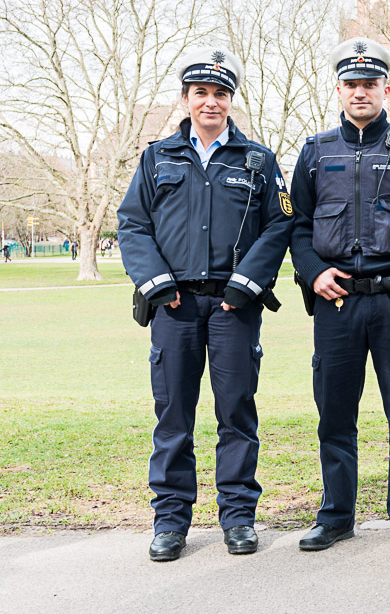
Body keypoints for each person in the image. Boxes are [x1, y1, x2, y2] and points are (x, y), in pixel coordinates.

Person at [116, 46, 293, 562]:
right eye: (201, 93)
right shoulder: (157, 157)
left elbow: (280, 223)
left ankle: (238, 517)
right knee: (173, 414)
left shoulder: (258, 160)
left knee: (236, 411)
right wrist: (155, 283)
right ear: (186, 98)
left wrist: (246, 283)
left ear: (231, 100)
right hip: (174, 307)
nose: (210, 102)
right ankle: (170, 521)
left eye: (220, 94)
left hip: (233, 309)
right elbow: (132, 224)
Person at [289, 37, 390, 553]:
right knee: (335, 413)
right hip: (335, 301)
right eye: (351, 85)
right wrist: (312, 272)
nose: (360, 92)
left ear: (385, 88)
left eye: (370, 84)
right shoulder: (315, 153)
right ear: (339, 89)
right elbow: (296, 225)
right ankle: (336, 515)